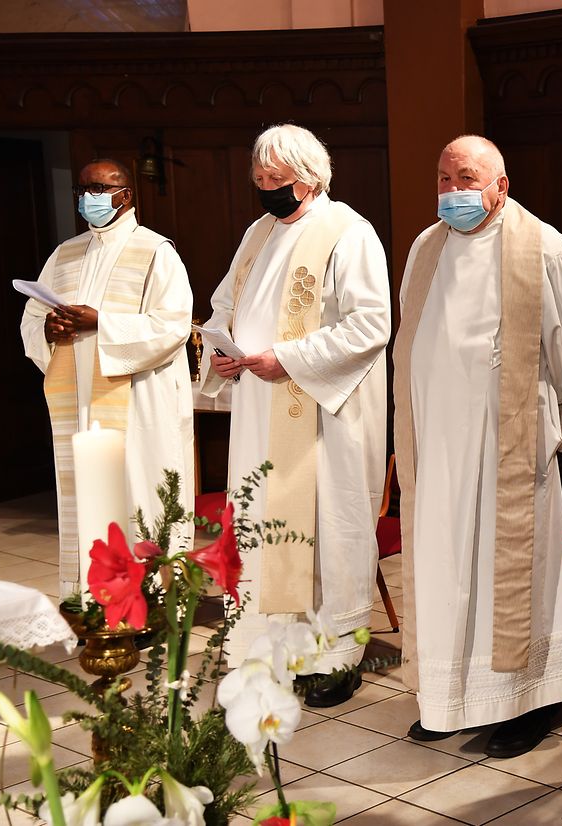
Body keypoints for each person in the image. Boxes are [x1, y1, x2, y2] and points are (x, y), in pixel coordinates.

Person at [392, 134, 562, 758]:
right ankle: (449, 697)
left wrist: (547, 424)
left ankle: (528, 703)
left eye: (467, 178)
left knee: (507, 574)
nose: (452, 190)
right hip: (437, 446)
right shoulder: (425, 248)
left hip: (507, 444)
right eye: (444, 177)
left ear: (500, 186)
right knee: (445, 570)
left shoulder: (542, 245)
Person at [199, 124, 390, 708]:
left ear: (310, 178)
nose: (267, 190)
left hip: (322, 413)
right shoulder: (257, 233)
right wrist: (222, 349)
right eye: (259, 179)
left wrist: (288, 358)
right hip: (260, 410)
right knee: (262, 524)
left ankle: (336, 658)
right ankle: (270, 649)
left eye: (277, 179)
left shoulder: (349, 233)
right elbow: (225, 305)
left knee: (327, 528)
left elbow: (370, 323)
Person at [21, 159, 194, 599]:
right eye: (82, 189)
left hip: (139, 400)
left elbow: (173, 325)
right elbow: (32, 317)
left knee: (140, 490)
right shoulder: (64, 254)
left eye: (99, 188)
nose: (88, 197)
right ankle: (93, 595)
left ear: (126, 195)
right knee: (89, 495)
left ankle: (151, 598)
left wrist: (102, 322)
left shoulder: (156, 252)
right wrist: (49, 329)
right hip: (80, 399)